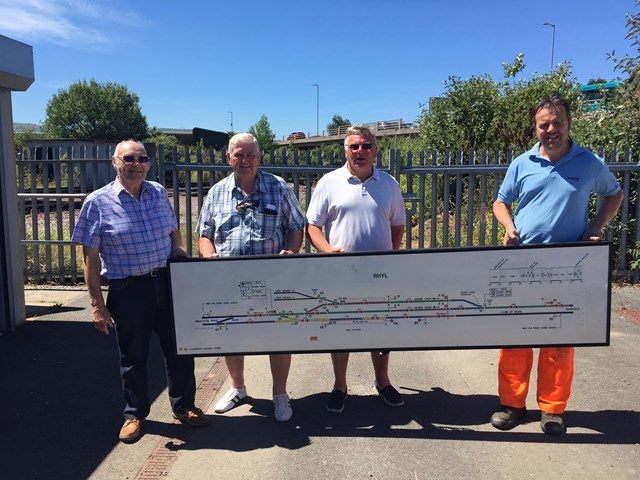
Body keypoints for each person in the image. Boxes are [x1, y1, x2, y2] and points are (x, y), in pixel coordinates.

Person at [491, 96, 624, 435]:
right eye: (544, 124)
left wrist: (595, 229)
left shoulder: (590, 162)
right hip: (521, 262)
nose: (551, 130)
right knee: (514, 338)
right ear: (536, 128)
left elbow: (614, 194)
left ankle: (552, 410)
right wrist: (508, 226)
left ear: (569, 123)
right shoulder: (523, 163)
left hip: (569, 265)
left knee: (559, 342)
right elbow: (500, 202)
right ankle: (512, 405)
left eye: (557, 123)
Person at [72, 140, 211, 443]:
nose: (137, 163)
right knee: (133, 355)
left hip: (166, 282)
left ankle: (184, 407)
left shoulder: (158, 192)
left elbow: (172, 230)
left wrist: (179, 250)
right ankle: (134, 414)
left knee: (180, 348)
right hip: (128, 288)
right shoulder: (97, 202)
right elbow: (90, 258)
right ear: (115, 162)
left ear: (148, 163)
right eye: (130, 158)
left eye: (142, 158)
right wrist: (97, 305)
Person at [197, 133, 305, 422]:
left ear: (259, 158)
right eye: (239, 155)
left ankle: (280, 394)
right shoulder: (217, 192)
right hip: (228, 279)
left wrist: (291, 253)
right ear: (228, 157)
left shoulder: (278, 187)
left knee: (278, 336)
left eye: (250, 155)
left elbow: (296, 226)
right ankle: (237, 388)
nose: (244, 161)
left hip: (272, 278)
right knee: (232, 336)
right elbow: (204, 235)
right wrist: (209, 258)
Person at [306, 125, 407, 413]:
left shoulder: (389, 184)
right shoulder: (329, 182)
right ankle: (340, 386)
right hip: (341, 273)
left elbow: (397, 224)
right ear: (345, 150)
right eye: (354, 147)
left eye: (365, 146)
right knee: (341, 329)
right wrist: (326, 251)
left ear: (375, 150)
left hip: (380, 273)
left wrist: (389, 255)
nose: (359, 152)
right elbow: (313, 226)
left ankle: (383, 382)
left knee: (382, 328)